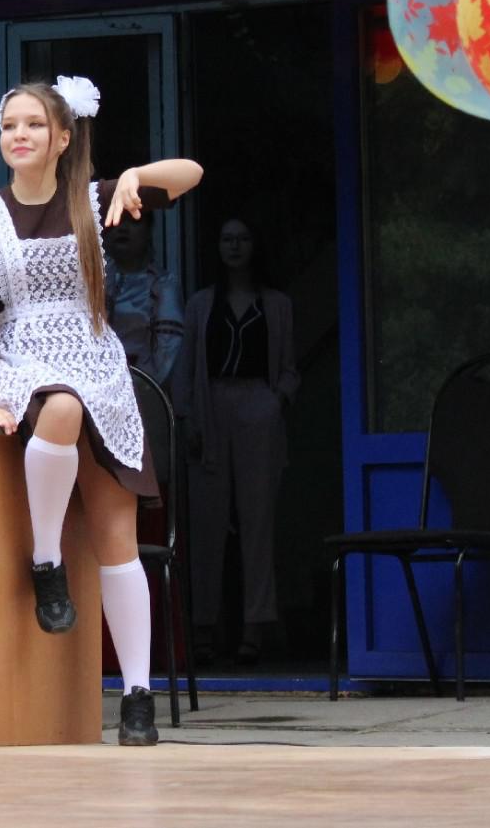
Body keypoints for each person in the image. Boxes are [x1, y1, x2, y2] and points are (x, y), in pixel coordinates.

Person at [0, 76, 202, 747]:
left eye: (34, 124)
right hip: (26, 358)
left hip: (97, 360)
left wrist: (136, 177)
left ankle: (137, 695)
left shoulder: (95, 199)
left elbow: (191, 173)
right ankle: (46, 561)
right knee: (60, 408)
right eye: (10, 124)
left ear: (64, 138)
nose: (19, 134)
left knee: (118, 536)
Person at [174, 217, 299, 666]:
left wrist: (276, 401)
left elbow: (289, 367)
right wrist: (187, 416)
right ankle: (203, 627)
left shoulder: (277, 304)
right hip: (211, 407)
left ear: (255, 245)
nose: (234, 246)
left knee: (257, 520)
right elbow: (186, 366)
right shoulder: (201, 304)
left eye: (243, 238)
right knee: (206, 523)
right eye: (226, 238)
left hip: (258, 407)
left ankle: (255, 626)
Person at [103, 213, 184, 386]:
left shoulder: (162, 285)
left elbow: (167, 353)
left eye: (133, 221)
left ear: (148, 231)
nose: (122, 228)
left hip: (144, 387)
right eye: (116, 220)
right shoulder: (92, 283)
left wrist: (142, 388)